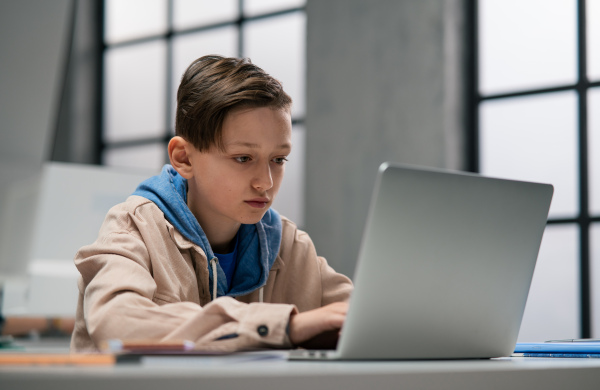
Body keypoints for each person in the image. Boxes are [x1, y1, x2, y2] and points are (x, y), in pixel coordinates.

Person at [70, 55, 353, 353]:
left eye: (278, 159)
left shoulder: (289, 244)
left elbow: (368, 320)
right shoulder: (132, 228)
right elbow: (118, 324)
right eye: (243, 158)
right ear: (184, 158)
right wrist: (284, 326)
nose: (266, 182)